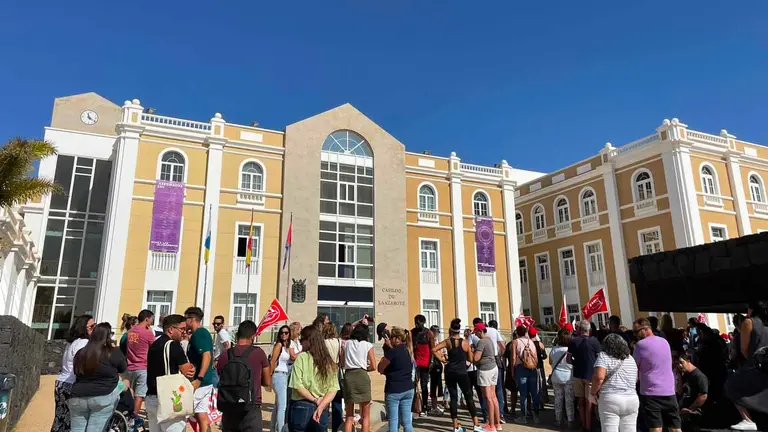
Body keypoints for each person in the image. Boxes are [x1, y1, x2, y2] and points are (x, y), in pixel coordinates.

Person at [68, 322, 127, 432]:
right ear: (108, 336)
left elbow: (76, 371)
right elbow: (123, 368)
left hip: (78, 396)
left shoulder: (81, 353)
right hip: (103, 396)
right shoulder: (113, 352)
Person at [216, 320, 271, 432]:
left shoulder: (225, 355)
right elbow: (267, 382)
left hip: (229, 408)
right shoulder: (259, 353)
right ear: (253, 336)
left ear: (237, 335)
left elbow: (221, 376)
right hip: (251, 408)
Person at [145, 314, 196, 432]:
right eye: (182, 329)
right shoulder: (174, 345)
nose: (184, 332)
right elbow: (188, 371)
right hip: (169, 399)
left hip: (151, 397)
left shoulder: (154, 345)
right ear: (171, 329)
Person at [432, 318, 483, 432]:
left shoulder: (447, 341)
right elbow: (470, 359)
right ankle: (476, 423)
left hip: (450, 371)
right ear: (459, 330)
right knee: (468, 396)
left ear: (451, 329)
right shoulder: (465, 343)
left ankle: (455, 426)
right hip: (462, 371)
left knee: (453, 397)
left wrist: (442, 359)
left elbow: (434, 349)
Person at [725, 300, 768, 431]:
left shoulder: (749, 322)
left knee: (730, 386)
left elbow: (744, 349)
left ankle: (747, 419)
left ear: (751, 309)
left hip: (756, 364)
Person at [288, 325, 340, 432]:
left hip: (301, 405)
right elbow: (333, 389)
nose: (300, 342)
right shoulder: (329, 362)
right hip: (322, 407)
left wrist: (315, 400)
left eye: (302, 339)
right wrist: (321, 405)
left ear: (309, 341)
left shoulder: (302, 358)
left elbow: (297, 385)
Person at [633, 317, 681, 432]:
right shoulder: (664, 341)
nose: (635, 335)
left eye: (636, 331)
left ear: (645, 329)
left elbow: (634, 367)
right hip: (669, 389)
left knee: (655, 428)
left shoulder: (640, 345)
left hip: (651, 392)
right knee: (675, 428)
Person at [52, 314, 94, 432]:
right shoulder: (84, 343)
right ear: (83, 328)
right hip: (71, 385)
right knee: (72, 423)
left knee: (60, 421)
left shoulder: (72, 342)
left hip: (61, 383)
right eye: (92, 326)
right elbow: (83, 366)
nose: (94, 329)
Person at [590, 333, 639, 432]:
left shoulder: (603, 356)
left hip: (610, 399)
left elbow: (599, 377)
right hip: (631, 399)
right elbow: (636, 378)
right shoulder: (630, 358)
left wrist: (593, 392)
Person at [377, 326, 415, 432]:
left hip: (394, 389)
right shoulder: (408, 350)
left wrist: (383, 359)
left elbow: (380, 368)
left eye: (392, 337)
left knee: (393, 421)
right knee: (407, 422)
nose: (390, 339)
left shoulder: (393, 352)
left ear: (397, 338)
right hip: (408, 388)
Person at [185, 306, 216, 432]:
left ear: (191, 320)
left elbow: (207, 355)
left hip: (200, 383)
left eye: (185, 319)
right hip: (205, 381)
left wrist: (199, 378)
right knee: (201, 414)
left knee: (183, 413)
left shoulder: (199, 334)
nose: (184, 322)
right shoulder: (198, 334)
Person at [341, 324, 376, 432]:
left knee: (349, 416)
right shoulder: (368, 345)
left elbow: (342, 363)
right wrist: (366, 367)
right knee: (365, 415)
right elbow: (374, 366)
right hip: (362, 375)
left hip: (349, 376)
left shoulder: (346, 344)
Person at [567, 320, 601, 431]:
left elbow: (568, 359)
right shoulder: (595, 342)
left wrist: (575, 363)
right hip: (591, 374)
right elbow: (600, 359)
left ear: (579, 330)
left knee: (580, 401)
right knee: (590, 402)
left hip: (577, 374)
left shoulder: (573, 341)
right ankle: (589, 425)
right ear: (589, 330)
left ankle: (583, 424)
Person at [125, 309, 155, 423]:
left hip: (130, 366)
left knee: (131, 392)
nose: (152, 321)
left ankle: (127, 414)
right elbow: (154, 347)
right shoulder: (147, 333)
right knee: (139, 395)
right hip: (142, 366)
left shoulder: (131, 331)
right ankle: (133, 417)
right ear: (147, 319)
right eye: (151, 319)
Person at [473, 322, 501, 431]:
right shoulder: (489, 339)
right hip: (494, 368)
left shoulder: (481, 342)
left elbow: (476, 358)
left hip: (485, 370)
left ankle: (491, 425)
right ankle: (497, 424)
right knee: (493, 397)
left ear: (480, 331)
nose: (476, 335)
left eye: (476, 332)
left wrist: (471, 351)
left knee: (488, 398)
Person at [511, 325, 540, 424]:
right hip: (532, 368)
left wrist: (512, 370)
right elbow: (535, 356)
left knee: (523, 394)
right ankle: (536, 415)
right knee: (534, 392)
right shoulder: (531, 342)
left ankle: (523, 417)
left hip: (521, 368)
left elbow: (513, 358)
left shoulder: (515, 342)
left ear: (517, 333)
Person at [549, 329, 575, 428]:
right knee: (569, 400)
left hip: (556, 377)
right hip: (569, 377)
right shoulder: (571, 351)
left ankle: (558, 420)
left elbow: (551, 362)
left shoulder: (554, 350)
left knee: (558, 399)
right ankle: (570, 421)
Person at [676, 352, 708, 429]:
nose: (680, 365)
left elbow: (703, 396)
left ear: (688, 361)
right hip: (684, 408)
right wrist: (679, 374)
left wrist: (690, 409)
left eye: (681, 362)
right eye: (677, 364)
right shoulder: (686, 374)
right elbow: (679, 391)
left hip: (695, 410)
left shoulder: (699, 376)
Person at [270, 325, 292, 432]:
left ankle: (273, 428)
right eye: (282, 333)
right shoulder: (278, 345)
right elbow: (272, 361)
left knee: (277, 405)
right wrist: (269, 378)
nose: (284, 334)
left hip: (283, 375)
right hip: (279, 375)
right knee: (282, 406)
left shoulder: (286, 346)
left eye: (286, 333)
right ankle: (280, 429)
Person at [411, 314, 434, 416]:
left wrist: (432, 362)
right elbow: (410, 347)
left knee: (424, 385)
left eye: (418, 322)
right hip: (416, 363)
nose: (416, 324)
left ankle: (425, 406)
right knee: (413, 384)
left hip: (426, 363)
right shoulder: (412, 332)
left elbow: (433, 349)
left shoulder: (429, 333)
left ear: (423, 322)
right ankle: (413, 406)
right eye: (415, 322)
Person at [485, 320, 508, 418]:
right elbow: (503, 348)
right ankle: (501, 413)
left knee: (487, 387)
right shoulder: (498, 334)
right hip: (497, 360)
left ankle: (488, 413)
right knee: (499, 387)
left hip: (486, 360)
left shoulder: (484, 332)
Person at [528, 327, 548, 410]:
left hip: (530, 367)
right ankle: (541, 403)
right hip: (539, 366)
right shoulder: (540, 344)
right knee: (541, 385)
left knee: (533, 386)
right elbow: (545, 356)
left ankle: (534, 403)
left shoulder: (528, 344)